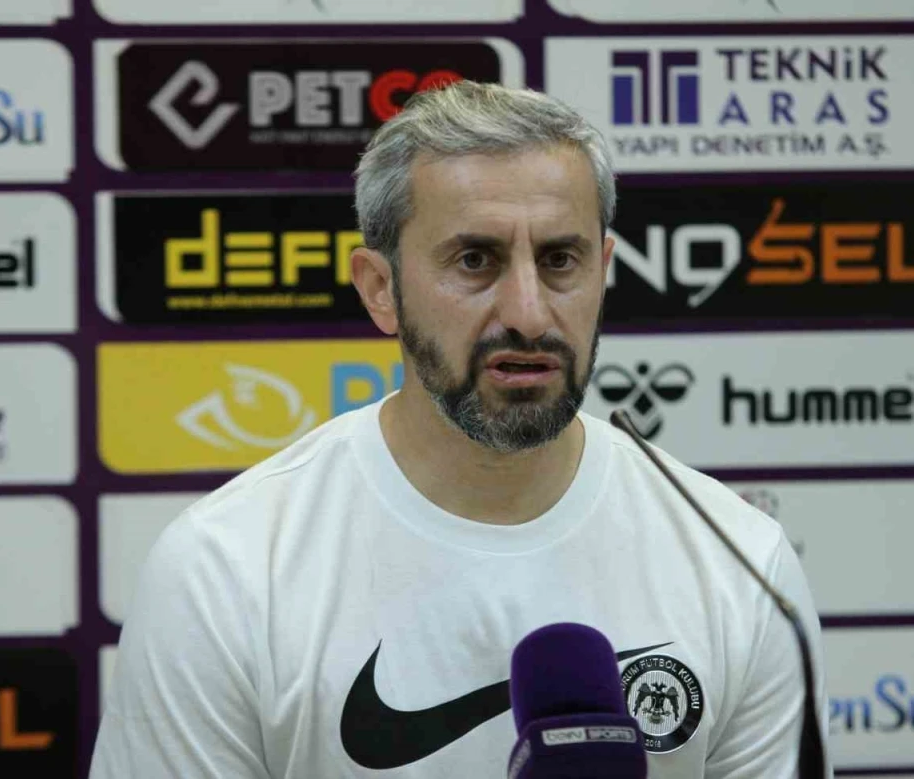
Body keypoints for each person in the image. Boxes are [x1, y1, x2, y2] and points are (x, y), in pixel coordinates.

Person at [89, 81, 828, 778]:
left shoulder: (741, 566)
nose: (529, 314)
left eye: (560, 259)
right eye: (475, 260)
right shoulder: (225, 572)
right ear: (381, 289)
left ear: (604, 269)